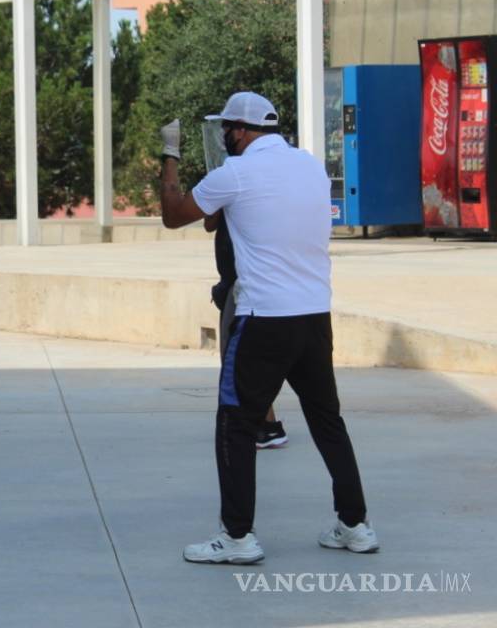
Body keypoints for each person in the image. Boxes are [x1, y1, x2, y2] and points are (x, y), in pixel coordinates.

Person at [159, 91, 377, 564]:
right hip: (314, 316)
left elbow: (175, 216)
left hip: (262, 320)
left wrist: (171, 157)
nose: (223, 138)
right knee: (327, 421)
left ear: (239, 131)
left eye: (225, 131)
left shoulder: (235, 173)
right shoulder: (310, 167)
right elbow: (218, 220)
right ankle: (355, 525)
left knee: (235, 423)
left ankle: (237, 538)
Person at [206, 210, 287, 449]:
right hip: (236, 282)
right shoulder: (228, 184)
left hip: (247, 284)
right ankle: (264, 423)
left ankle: (263, 425)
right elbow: (209, 223)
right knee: (245, 361)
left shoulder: (250, 187)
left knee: (238, 359)